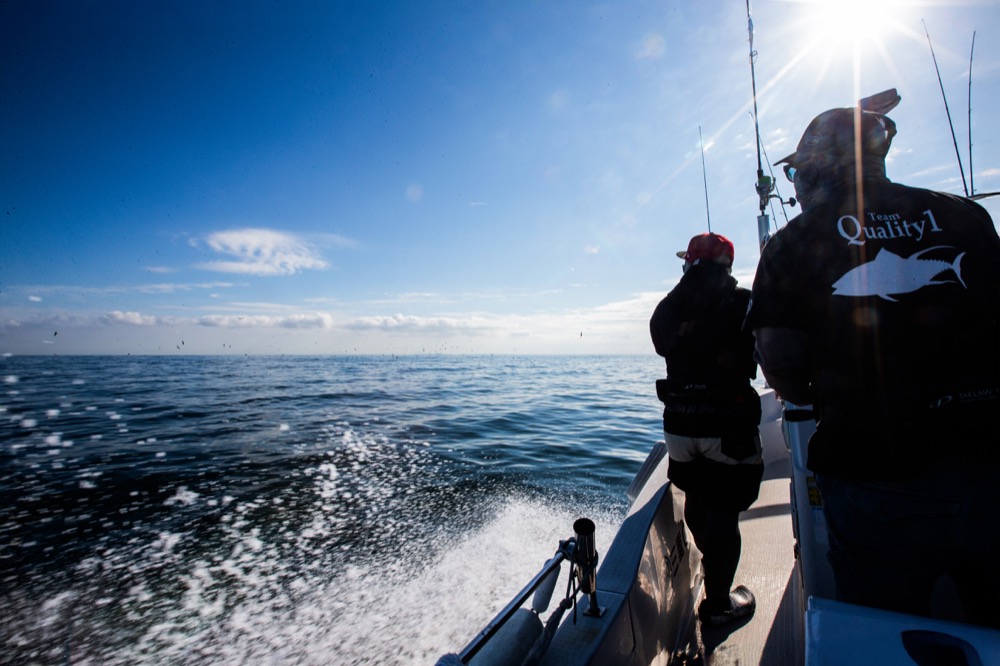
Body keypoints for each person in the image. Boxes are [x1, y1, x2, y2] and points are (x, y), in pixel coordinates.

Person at [745, 89, 1000, 626]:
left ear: (817, 167)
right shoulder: (968, 216)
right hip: (989, 460)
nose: (796, 184)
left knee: (886, 631)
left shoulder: (793, 242)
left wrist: (815, 391)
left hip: (876, 472)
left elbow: (780, 361)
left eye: (796, 173)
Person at [650, 232, 764, 627]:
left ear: (690, 263)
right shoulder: (745, 301)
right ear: (726, 265)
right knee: (725, 515)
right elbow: (764, 347)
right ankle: (718, 604)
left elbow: (662, 346)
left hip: (680, 427)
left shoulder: (666, 307)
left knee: (697, 501)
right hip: (727, 428)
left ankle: (711, 559)